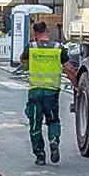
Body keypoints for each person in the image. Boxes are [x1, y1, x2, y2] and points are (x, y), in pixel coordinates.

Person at [18, 21, 76, 166]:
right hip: (52, 92)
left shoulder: (31, 47)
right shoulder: (58, 48)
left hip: (35, 92)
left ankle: (40, 156)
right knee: (53, 120)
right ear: (47, 30)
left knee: (35, 125)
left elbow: (22, 60)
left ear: (35, 33)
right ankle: (54, 140)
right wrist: (76, 86)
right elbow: (69, 69)